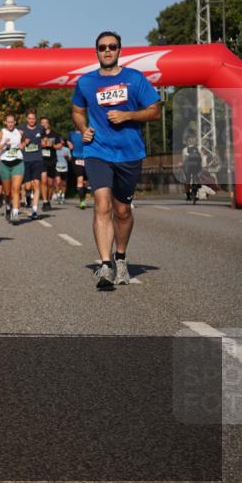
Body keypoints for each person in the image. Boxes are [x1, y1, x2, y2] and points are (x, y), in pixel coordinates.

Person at [72, 30, 160, 290]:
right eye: (102, 47)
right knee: (101, 204)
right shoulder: (85, 82)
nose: (107, 51)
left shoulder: (134, 79)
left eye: (112, 47)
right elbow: (77, 110)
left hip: (129, 153)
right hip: (97, 151)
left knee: (122, 212)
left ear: (120, 50)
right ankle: (106, 264)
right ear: (96, 51)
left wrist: (128, 116)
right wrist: (82, 128)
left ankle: (121, 257)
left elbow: (154, 111)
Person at [0, 113, 24, 224]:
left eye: (12, 122)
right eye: (8, 122)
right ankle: (8, 206)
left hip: (18, 162)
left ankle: (15, 214)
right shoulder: (1, 133)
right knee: (8, 192)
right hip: (5, 164)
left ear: (15, 122)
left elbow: (26, 141)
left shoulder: (19, 132)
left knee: (16, 189)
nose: (10, 124)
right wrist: (4, 145)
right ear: (5, 123)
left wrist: (23, 145)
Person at [20, 110, 44, 219]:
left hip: (37, 159)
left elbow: (46, 136)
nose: (31, 120)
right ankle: (27, 196)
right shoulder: (22, 130)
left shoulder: (40, 128)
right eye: (29, 118)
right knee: (28, 186)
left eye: (33, 118)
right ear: (26, 119)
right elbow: (18, 144)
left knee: (37, 184)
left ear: (36, 119)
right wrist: (24, 143)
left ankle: (34, 210)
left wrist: (46, 140)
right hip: (26, 160)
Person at [38, 117, 63, 210]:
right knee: (43, 180)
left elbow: (60, 146)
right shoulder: (38, 134)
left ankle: (47, 200)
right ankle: (44, 202)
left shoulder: (54, 134)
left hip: (52, 160)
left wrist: (52, 145)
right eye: (42, 123)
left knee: (49, 183)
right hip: (41, 160)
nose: (44, 124)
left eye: (46, 123)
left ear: (48, 124)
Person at [67, 128, 89, 208]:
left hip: (87, 157)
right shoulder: (71, 133)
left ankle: (84, 196)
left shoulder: (86, 131)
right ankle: (82, 200)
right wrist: (70, 144)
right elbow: (68, 140)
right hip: (76, 157)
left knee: (86, 181)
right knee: (80, 178)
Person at [182, 139, 203, 203]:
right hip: (197, 167)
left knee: (187, 180)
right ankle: (198, 186)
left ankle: (188, 195)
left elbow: (183, 160)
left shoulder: (185, 150)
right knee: (197, 177)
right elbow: (201, 157)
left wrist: (182, 166)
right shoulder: (198, 149)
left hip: (188, 168)